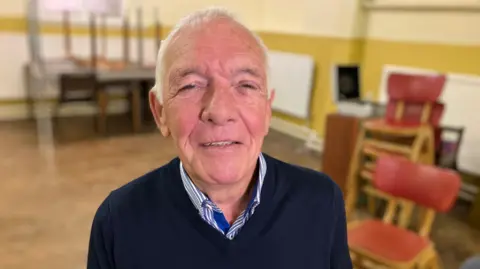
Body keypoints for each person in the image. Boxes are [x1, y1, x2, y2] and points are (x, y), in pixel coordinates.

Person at [87, 7, 352, 269]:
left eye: (246, 85)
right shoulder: (117, 222)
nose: (220, 111)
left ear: (267, 110)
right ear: (160, 113)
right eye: (190, 85)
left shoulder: (322, 201)